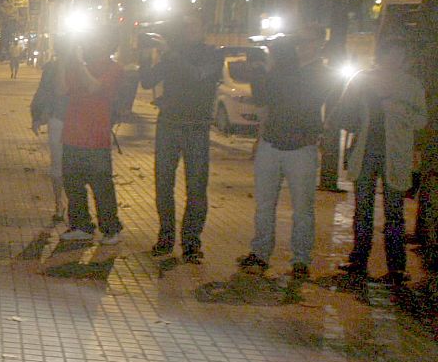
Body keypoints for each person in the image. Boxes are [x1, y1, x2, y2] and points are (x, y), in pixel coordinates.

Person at [237, 31, 330, 279]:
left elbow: (305, 100)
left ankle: (299, 259)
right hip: (274, 143)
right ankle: (261, 253)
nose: (303, 47)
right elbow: (262, 101)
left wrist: (266, 73)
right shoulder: (280, 73)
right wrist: (261, 74)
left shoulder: (317, 73)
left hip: (300, 147)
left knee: (301, 208)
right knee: (266, 205)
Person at [334, 38, 428, 284]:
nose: (394, 59)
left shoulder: (411, 85)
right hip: (365, 152)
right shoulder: (363, 79)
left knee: (394, 211)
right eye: (391, 54)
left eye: (400, 55)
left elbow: (422, 120)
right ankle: (358, 259)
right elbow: (345, 108)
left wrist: (399, 110)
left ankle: (396, 267)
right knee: (362, 209)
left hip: (396, 155)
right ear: (382, 55)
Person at [138, 14, 222, 263]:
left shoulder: (213, 54)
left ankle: (191, 243)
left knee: (196, 188)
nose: (188, 29)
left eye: (193, 25)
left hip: (196, 127)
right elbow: (147, 81)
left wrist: (170, 54)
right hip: (169, 124)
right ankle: (165, 238)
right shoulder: (172, 53)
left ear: (204, 27)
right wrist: (144, 53)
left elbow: (199, 76)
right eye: (185, 25)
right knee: (163, 184)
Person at [57, 34, 126, 244]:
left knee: (101, 186)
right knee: (73, 184)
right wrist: (62, 58)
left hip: (96, 137)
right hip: (72, 135)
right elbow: (61, 89)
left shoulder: (114, 69)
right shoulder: (79, 66)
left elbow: (93, 87)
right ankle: (81, 225)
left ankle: (110, 228)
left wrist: (78, 63)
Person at [30, 48, 67, 224]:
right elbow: (43, 91)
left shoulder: (88, 66)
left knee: (74, 166)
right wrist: (37, 116)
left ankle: (71, 204)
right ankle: (59, 204)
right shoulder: (52, 68)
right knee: (58, 165)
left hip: (81, 123)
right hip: (58, 119)